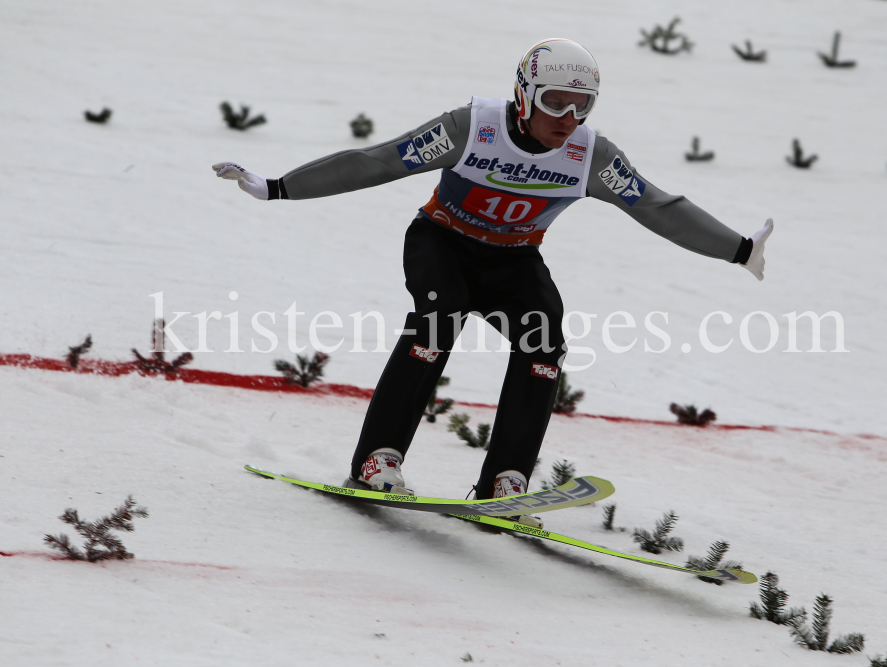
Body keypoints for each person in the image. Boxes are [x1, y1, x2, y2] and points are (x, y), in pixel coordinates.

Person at [213, 38, 773, 528]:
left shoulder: (589, 156)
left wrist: (739, 248)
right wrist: (278, 187)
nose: (568, 117)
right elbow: (378, 162)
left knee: (543, 345)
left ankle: (505, 481)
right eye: (556, 101)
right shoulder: (471, 127)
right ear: (524, 94)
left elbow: (657, 206)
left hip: (513, 261)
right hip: (442, 243)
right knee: (439, 318)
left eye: (583, 106)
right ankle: (376, 461)